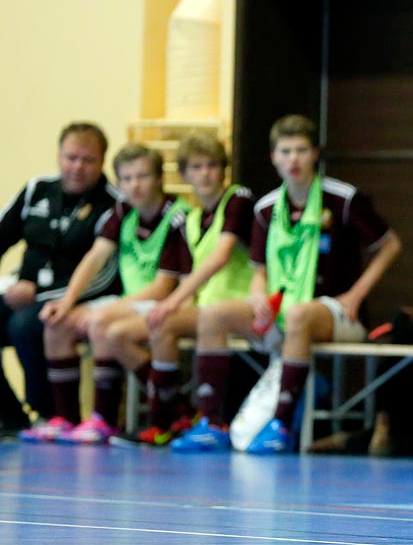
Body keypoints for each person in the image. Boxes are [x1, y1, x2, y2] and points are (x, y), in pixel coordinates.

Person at [173, 114, 401, 454]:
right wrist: (256, 296)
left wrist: (356, 294)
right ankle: (211, 422)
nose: (293, 159)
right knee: (213, 315)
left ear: (315, 155)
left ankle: (281, 423)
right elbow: (259, 269)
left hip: (337, 312)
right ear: (273, 158)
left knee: (298, 316)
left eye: (301, 150)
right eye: (285, 151)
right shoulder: (266, 209)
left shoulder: (343, 199)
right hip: (282, 310)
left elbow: (390, 245)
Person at [24, 144, 186, 443]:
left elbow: (164, 286)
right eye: (126, 179)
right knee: (56, 323)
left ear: (159, 178)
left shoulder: (176, 216)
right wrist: (67, 301)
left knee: (101, 323)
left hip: (164, 302)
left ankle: (105, 419)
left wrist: (108, 310)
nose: (134, 186)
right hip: (131, 302)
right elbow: (95, 257)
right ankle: (67, 418)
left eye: (142, 177)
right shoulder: (123, 210)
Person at [102, 134, 255, 445]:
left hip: (241, 306)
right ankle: (170, 416)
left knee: (166, 319)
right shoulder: (192, 218)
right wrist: (177, 303)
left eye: (212, 165)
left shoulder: (238, 199)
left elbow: (219, 256)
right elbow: (188, 275)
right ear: (184, 175)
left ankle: (188, 419)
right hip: (204, 307)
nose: (205, 174)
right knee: (123, 333)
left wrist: (173, 301)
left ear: (224, 170)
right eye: (196, 167)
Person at [0, 123, 121, 433]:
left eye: (88, 160)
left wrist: (41, 294)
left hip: (75, 300)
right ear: (58, 156)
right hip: (22, 292)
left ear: (102, 161)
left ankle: (48, 413)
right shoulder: (36, 190)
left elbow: (106, 274)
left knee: (25, 325)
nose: (77, 167)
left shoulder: (113, 205)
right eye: (71, 157)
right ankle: (10, 415)